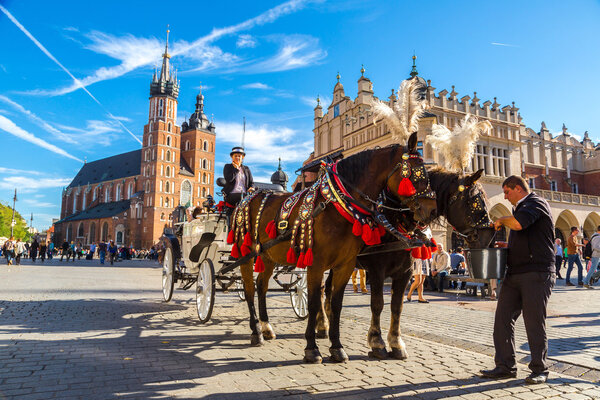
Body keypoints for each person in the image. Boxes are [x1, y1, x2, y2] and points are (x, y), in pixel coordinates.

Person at [481, 176, 555, 384]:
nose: (505, 197)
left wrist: (501, 220)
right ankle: (505, 366)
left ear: (519, 189)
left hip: (537, 272)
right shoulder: (520, 208)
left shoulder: (535, 202)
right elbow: (525, 235)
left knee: (534, 321)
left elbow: (518, 225)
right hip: (515, 273)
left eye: (507, 192)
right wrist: (508, 247)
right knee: (502, 319)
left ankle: (540, 369)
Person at [222, 146, 254, 211]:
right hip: (232, 194)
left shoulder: (246, 169)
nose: (237, 158)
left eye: (239, 156)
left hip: (244, 194)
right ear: (232, 157)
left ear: (242, 157)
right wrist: (236, 169)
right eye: (235, 156)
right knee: (242, 199)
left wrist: (251, 187)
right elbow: (229, 179)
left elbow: (251, 182)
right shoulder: (227, 167)